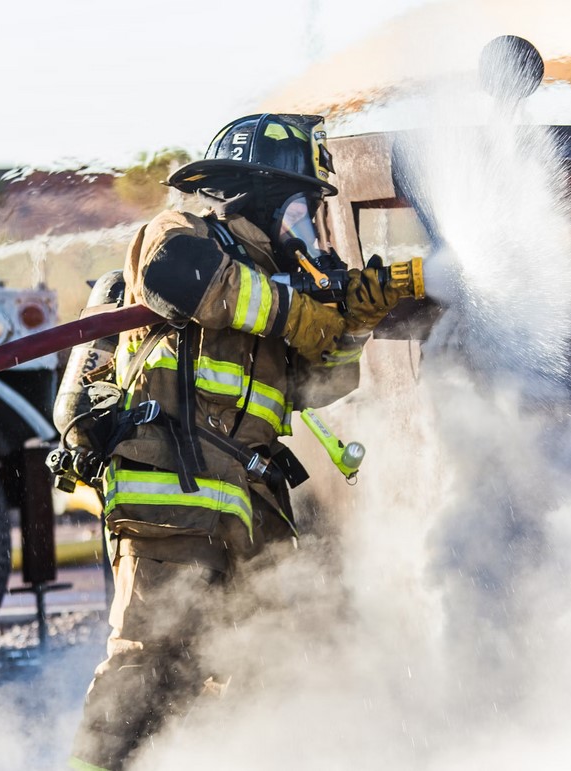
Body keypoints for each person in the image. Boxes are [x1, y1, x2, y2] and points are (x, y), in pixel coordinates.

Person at [68, 113, 416, 771]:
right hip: (170, 490)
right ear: (256, 192)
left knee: (258, 663)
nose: (308, 224)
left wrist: (352, 324)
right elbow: (180, 278)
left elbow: (315, 387)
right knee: (146, 663)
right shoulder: (183, 236)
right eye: (302, 206)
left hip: (247, 502)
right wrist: (305, 310)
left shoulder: (274, 281)